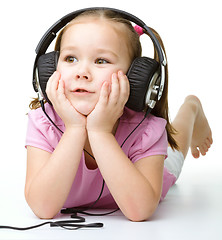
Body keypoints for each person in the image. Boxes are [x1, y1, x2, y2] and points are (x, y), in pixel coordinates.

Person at [25, 9, 213, 222]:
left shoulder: (145, 128)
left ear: (135, 78)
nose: (81, 72)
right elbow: (42, 207)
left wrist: (100, 132)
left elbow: (140, 211)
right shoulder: (43, 122)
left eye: (101, 61)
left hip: (144, 177)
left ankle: (191, 108)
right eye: (70, 58)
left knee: (176, 148)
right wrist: (75, 128)